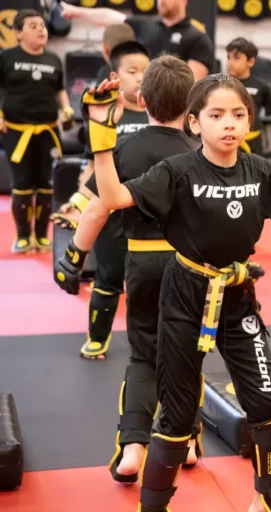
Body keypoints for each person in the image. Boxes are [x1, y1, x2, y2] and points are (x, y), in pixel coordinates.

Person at [84, 72, 271, 512]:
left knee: (269, 405)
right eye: (216, 115)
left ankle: (267, 502)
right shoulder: (177, 170)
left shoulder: (261, 171)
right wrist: (100, 134)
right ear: (194, 123)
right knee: (175, 414)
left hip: (237, 297)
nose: (228, 123)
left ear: (249, 120)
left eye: (238, 114)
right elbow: (113, 197)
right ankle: (153, 505)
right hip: (184, 295)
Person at [55, 54, 203, 483]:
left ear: (141, 98)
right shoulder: (200, 153)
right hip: (190, 267)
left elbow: (100, 206)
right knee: (186, 355)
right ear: (191, 105)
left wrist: (73, 257)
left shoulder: (124, 148)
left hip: (141, 261)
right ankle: (188, 442)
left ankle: (132, 447)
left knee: (144, 355)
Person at [54, 41, 152, 360]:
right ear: (115, 76)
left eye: (145, 72)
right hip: (114, 217)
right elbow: (94, 169)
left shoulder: (163, 117)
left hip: (155, 217)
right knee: (108, 279)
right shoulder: (108, 117)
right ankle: (98, 337)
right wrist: (78, 202)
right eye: (132, 71)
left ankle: (158, 343)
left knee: (159, 285)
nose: (140, 77)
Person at [51, 23, 137, 232]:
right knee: (97, 156)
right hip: (116, 185)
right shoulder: (106, 77)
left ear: (106, 50)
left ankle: (82, 206)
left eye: (140, 71)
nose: (139, 77)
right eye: (132, 71)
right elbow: (93, 162)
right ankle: (81, 206)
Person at [0, 9, 74, 254]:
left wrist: (66, 110)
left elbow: (60, 90)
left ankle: (42, 235)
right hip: (16, 131)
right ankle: (23, 236)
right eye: (33, 26)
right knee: (21, 184)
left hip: (48, 131)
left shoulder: (53, 59)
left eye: (42, 25)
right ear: (19, 32)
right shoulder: (7, 57)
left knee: (46, 184)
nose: (41, 29)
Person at [60, 0, 215, 81]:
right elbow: (109, 17)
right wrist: (77, 12)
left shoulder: (197, 37)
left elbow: (191, 86)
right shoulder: (146, 26)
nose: (160, 1)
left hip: (173, 114)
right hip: (140, 106)